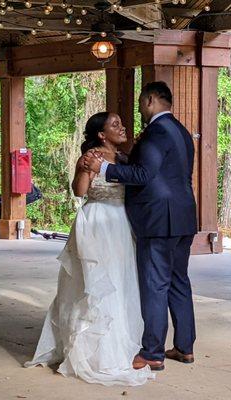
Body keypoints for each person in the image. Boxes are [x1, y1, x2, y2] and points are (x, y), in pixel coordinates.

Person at [24, 112, 155, 386]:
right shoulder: (91, 156)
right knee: (96, 284)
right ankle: (95, 352)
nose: (122, 127)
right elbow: (80, 191)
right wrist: (86, 169)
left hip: (122, 223)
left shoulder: (123, 156)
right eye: (115, 125)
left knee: (121, 282)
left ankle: (123, 344)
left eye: (121, 123)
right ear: (101, 134)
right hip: (98, 222)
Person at [83, 81, 197, 370]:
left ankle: (153, 353)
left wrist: (104, 168)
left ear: (150, 101)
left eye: (139, 103)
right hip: (183, 217)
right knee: (178, 282)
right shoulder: (182, 132)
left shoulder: (157, 132)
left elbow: (144, 173)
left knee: (155, 285)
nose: (138, 109)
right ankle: (184, 348)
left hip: (158, 220)